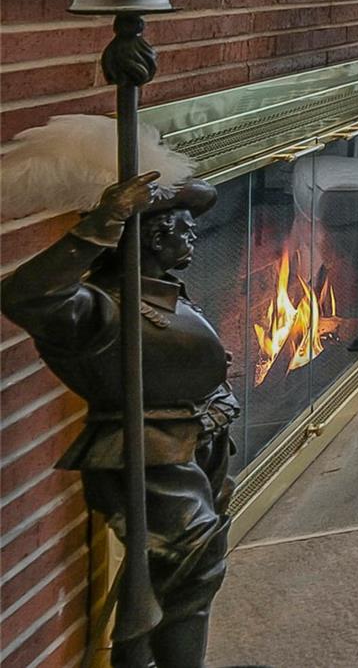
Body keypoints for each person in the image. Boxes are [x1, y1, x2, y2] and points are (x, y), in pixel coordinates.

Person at [0, 175, 236, 668]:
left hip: (193, 448)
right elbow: (24, 296)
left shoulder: (163, 295)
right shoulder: (103, 308)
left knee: (187, 573)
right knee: (191, 571)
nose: (194, 238)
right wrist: (103, 223)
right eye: (184, 231)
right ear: (153, 236)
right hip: (147, 457)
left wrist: (217, 406)